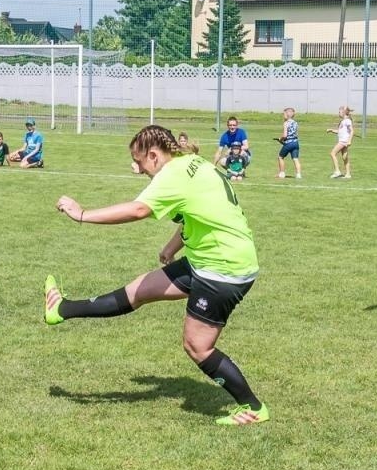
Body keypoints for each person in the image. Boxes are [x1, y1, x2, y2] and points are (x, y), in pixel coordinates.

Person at [44, 124, 267, 426]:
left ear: (153, 155)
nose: (136, 169)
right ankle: (61, 309)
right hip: (210, 258)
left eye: (138, 162)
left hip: (223, 269)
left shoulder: (172, 175)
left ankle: (253, 407)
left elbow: (138, 210)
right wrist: (171, 247)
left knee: (196, 345)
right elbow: (199, 211)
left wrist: (82, 214)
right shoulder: (193, 163)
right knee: (138, 290)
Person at [275, 107, 301, 179]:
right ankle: (298, 174)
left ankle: (282, 173)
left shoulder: (286, 123)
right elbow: (296, 134)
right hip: (296, 143)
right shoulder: (295, 123)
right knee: (295, 159)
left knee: (280, 157)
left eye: (284, 114)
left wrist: (280, 139)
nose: (283, 116)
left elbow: (285, 135)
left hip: (289, 143)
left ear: (287, 114)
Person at [329, 106, 354, 179]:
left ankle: (337, 171)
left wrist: (349, 140)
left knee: (332, 153)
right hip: (343, 141)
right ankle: (348, 174)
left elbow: (352, 131)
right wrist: (332, 130)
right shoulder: (342, 121)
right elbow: (340, 131)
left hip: (343, 141)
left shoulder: (347, 121)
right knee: (345, 157)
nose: (338, 113)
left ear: (343, 112)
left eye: (339, 112)